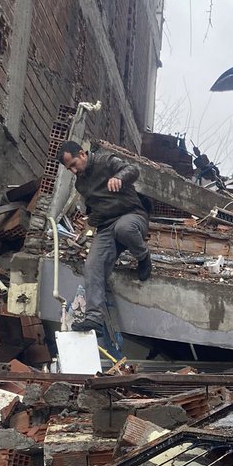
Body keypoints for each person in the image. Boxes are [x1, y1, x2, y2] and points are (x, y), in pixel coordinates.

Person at [58, 140, 152, 334]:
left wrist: (119, 177)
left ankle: (143, 257)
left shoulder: (105, 161)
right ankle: (94, 317)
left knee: (124, 229)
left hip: (132, 216)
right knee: (92, 265)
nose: (74, 171)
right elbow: (95, 207)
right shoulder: (81, 184)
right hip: (106, 227)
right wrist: (91, 219)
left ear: (82, 154)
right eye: (69, 169)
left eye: (74, 164)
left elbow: (132, 170)